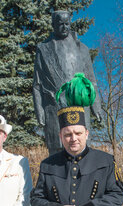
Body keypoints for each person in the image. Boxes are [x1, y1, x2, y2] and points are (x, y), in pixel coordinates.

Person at [33, 10, 101, 155]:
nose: (64, 27)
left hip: (80, 106)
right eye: (60, 24)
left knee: (81, 147)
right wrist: (39, 111)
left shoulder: (82, 49)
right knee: (56, 151)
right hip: (54, 105)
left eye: (67, 24)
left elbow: (91, 80)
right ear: (53, 25)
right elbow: (37, 84)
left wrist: (97, 106)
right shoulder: (43, 49)